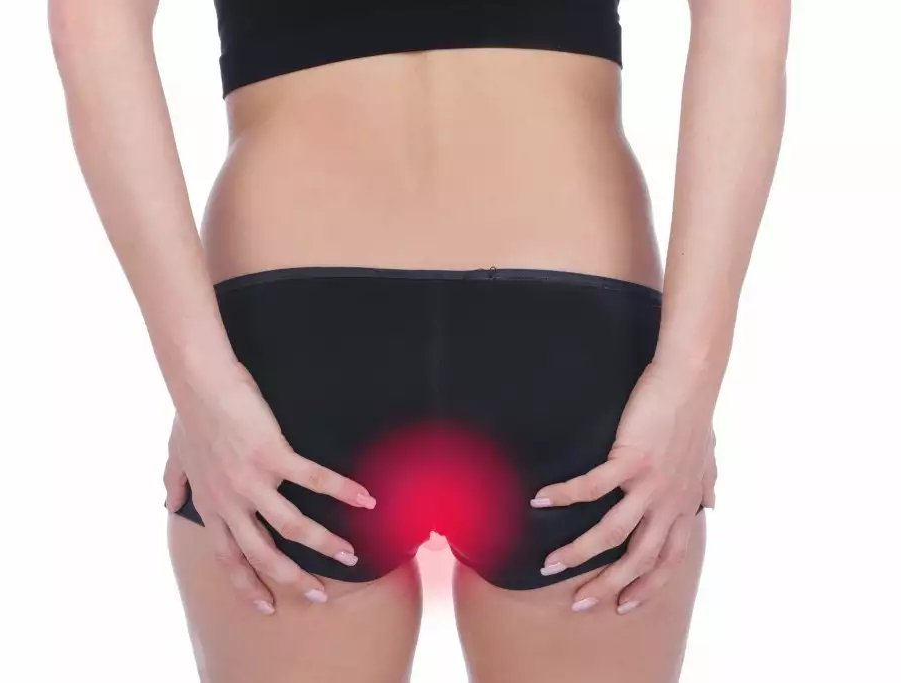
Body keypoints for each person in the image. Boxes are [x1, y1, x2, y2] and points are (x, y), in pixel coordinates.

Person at [50, 0, 790, 680]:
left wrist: (203, 380)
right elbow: (748, 24)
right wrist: (688, 374)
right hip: (571, 321)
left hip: (290, 336)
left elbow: (91, 22)